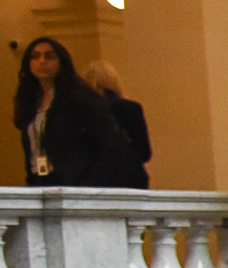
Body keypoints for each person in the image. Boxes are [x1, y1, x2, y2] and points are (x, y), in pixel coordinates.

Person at [14, 36, 126, 186]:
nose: (42, 61)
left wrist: (89, 181)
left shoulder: (78, 98)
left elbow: (109, 144)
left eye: (49, 56)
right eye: (35, 57)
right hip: (39, 179)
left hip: (74, 180)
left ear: (61, 62)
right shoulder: (30, 101)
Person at [80, 60, 151, 189]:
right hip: (130, 177)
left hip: (95, 180)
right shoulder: (131, 108)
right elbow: (144, 151)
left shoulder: (82, 111)